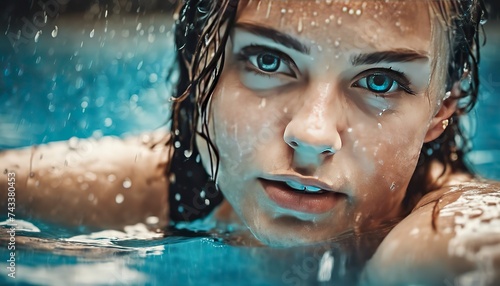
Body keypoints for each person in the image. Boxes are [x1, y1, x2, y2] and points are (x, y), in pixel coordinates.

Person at [1, 0, 499, 284]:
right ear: (203, 65)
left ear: (441, 107)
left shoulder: (449, 228)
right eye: (267, 61)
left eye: (380, 81)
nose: (311, 134)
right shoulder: (157, 186)